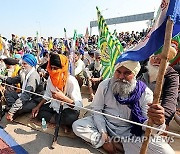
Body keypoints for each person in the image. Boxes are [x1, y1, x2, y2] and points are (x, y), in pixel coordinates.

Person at [72, 60, 174, 154]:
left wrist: (158, 122)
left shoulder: (145, 93)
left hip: (130, 132)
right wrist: (104, 136)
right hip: (105, 124)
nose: (121, 77)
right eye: (118, 72)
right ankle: (111, 144)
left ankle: (119, 146)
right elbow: (97, 110)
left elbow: (145, 124)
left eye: (126, 73)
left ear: (134, 74)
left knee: (166, 152)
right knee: (78, 125)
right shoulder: (105, 85)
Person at [32, 53, 82, 132]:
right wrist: (38, 106)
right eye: (51, 68)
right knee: (41, 113)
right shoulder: (51, 78)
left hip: (68, 109)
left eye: (56, 68)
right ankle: (60, 122)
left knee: (70, 118)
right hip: (55, 106)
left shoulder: (71, 80)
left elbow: (79, 105)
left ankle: (60, 121)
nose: (53, 71)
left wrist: (64, 98)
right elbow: (48, 94)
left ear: (63, 68)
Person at [138, 46, 179, 127]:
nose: (157, 61)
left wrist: (163, 119)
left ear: (167, 62)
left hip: (154, 115)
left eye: (162, 60)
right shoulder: (141, 70)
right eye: (155, 58)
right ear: (150, 58)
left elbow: (170, 99)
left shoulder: (172, 76)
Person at [3, 53, 41, 121]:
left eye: (25, 64)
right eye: (22, 64)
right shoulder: (23, 73)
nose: (22, 66)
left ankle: (13, 110)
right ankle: (14, 109)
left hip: (32, 100)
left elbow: (26, 95)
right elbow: (12, 80)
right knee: (8, 91)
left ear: (31, 65)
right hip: (22, 97)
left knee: (22, 108)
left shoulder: (33, 76)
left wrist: (12, 111)